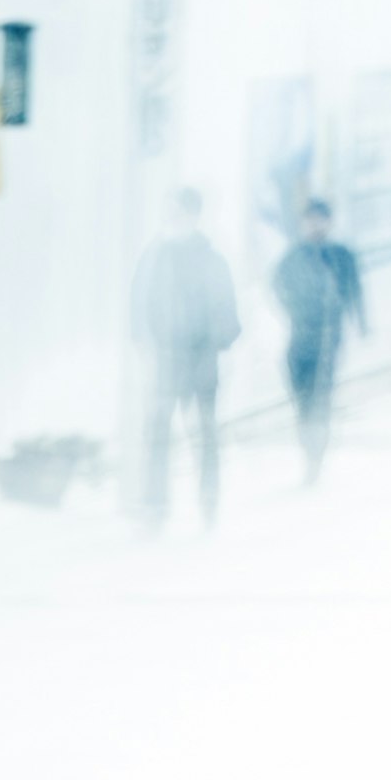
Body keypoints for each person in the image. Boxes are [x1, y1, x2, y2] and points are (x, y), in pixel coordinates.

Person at [129, 185, 240, 530]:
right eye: (169, 210)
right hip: (166, 359)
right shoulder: (155, 257)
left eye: (178, 210)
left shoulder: (211, 259)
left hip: (200, 358)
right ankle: (154, 505)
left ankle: (208, 500)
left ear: (193, 215)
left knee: (205, 432)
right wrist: (148, 342)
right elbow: (139, 303)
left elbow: (227, 311)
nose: (171, 217)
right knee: (158, 432)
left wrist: (214, 342)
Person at [275, 192, 364, 483]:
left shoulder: (340, 256)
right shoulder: (293, 258)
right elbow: (278, 287)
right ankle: (308, 442)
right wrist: (295, 309)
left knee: (321, 398)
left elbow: (354, 291)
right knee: (301, 397)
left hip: (328, 341)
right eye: (310, 220)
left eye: (321, 220)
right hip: (300, 339)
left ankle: (315, 456)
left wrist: (360, 323)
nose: (315, 226)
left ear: (329, 223)